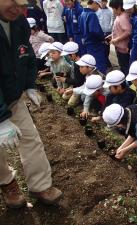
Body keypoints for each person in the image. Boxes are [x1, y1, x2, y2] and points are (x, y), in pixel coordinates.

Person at [0, 0, 62, 208]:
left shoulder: (19, 22)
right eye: (13, 2)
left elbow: (24, 53)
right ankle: (7, 183)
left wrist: (29, 85)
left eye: (22, 4)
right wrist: (2, 119)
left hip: (12, 95)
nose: (18, 9)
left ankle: (40, 184)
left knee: (30, 137)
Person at [64, 54, 103, 118]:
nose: (79, 69)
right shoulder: (89, 74)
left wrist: (85, 109)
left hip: (100, 97)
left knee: (85, 98)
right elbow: (85, 87)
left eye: (82, 67)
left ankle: (96, 111)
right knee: (82, 97)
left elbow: (89, 94)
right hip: (94, 94)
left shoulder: (94, 77)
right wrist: (72, 90)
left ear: (89, 67)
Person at [79, 0, 107, 74]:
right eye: (98, 5)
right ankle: (101, 81)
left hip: (87, 43)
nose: (98, 7)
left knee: (91, 64)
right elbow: (94, 30)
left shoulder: (82, 13)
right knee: (99, 64)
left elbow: (80, 29)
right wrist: (103, 38)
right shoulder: (92, 14)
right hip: (95, 44)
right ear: (94, 3)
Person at [109, 0, 132, 75]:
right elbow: (118, 30)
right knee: (122, 66)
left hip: (123, 49)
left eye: (113, 8)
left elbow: (128, 31)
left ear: (118, 8)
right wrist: (111, 36)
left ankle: (128, 85)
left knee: (125, 68)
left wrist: (117, 39)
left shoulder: (123, 17)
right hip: (119, 47)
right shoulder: (119, 16)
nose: (113, 11)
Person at [96, 0, 113, 71]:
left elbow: (112, 21)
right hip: (100, 33)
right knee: (101, 50)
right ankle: (107, 65)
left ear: (106, 2)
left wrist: (110, 30)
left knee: (106, 50)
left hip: (108, 33)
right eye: (101, 1)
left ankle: (107, 65)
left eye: (104, 1)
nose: (103, 3)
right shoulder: (97, 11)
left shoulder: (110, 11)